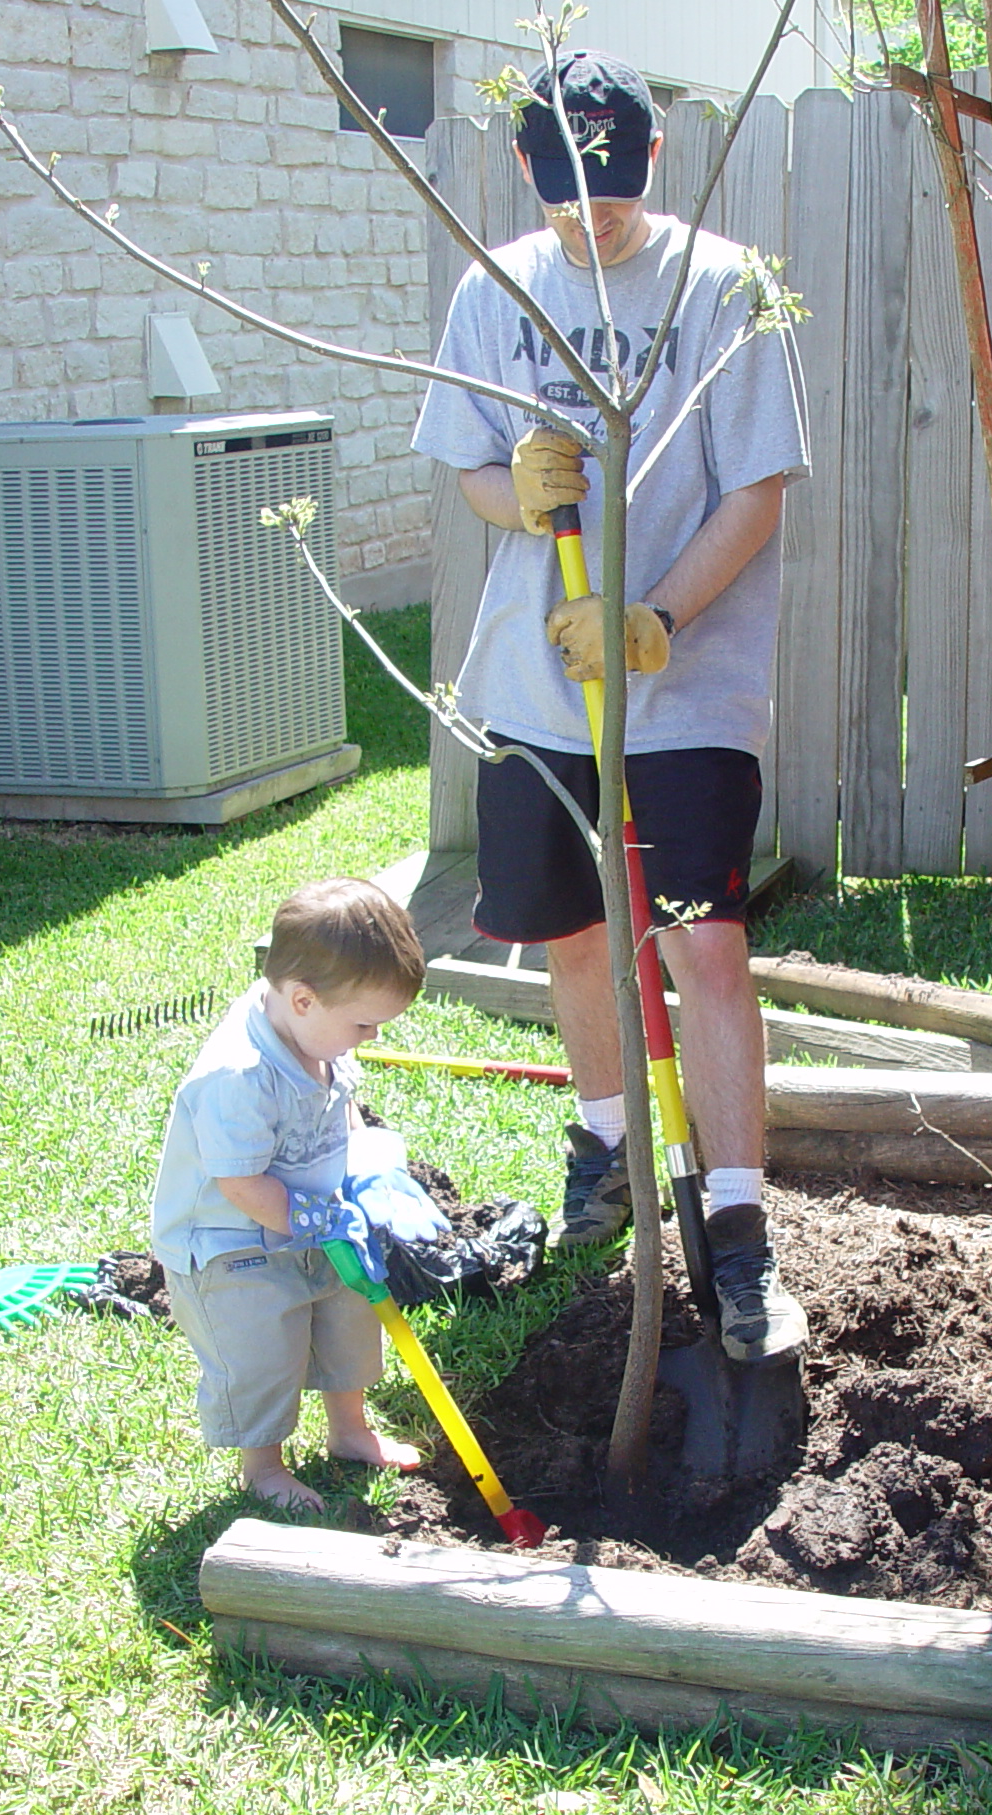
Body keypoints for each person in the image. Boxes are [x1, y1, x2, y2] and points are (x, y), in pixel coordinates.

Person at [411, 50, 811, 1367]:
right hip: (536, 689)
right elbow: (468, 464)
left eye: (622, 184)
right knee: (573, 937)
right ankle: (605, 1145)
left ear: (656, 160)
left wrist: (657, 620)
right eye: (575, 188)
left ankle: (739, 1227)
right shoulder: (497, 284)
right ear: (527, 169)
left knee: (704, 950)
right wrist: (515, 497)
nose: (601, 215)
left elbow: (758, 491)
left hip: (685, 692)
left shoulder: (724, 288)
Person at [148, 877, 429, 1511]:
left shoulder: (316, 1033)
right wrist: (319, 1218)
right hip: (232, 1245)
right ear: (302, 999)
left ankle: (350, 1432)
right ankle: (264, 1468)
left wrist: (370, 1168)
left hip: (311, 1218)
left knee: (349, 1320)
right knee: (263, 1354)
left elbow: (342, 1106)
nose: (373, 1037)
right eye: (365, 1024)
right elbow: (240, 1184)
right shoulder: (239, 1076)